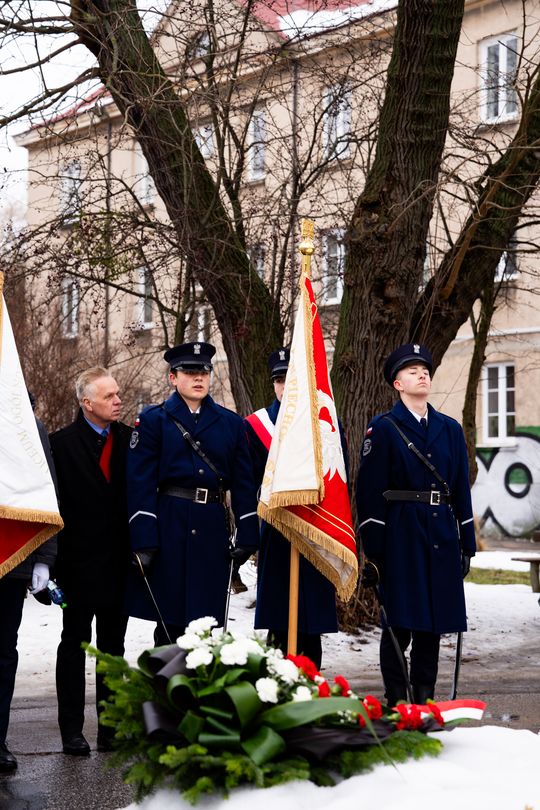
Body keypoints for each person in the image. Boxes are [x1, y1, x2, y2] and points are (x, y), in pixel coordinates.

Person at [356, 343, 476, 706]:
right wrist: (374, 552)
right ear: (397, 383)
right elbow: (370, 493)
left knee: (434, 622)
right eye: (411, 370)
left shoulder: (450, 429)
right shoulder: (384, 428)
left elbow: (460, 490)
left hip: (440, 532)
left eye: (424, 368)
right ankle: (397, 697)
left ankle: (424, 698)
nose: (421, 373)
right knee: (400, 622)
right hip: (401, 534)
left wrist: (466, 542)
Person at [126, 341, 259, 645]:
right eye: (189, 372)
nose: (199, 378)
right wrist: (144, 541)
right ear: (173, 377)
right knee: (169, 625)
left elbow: (243, 483)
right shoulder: (153, 420)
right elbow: (140, 482)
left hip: (212, 528)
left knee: (206, 624)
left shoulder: (231, 423)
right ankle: (167, 691)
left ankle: (202, 691)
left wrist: (248, 534)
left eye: (204, 372)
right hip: (169, 526)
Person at [50, 368, 132, 755]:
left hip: (119, 565)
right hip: (76, 566)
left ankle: (111, 728)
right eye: (110, 396)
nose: (118, 401)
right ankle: (72, 731)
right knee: (73, 645)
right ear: (87, 403)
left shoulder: (131, 442)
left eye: (118, 394)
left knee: (113, 647)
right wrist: (48, 568)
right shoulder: (60, 445)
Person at [245, 348, 340, 669]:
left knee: (310, 624)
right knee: (278, 620)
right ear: (273, 385)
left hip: (315, 530)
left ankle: (310, 687)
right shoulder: (257, 426)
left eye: (293, 379)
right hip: (278, 532)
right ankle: (277, 691)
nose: (286, 386)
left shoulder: (323, 425)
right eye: (280, 380)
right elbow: (248, 482)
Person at [0, 395, 57, 773]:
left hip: (12, 556)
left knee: (3, 653)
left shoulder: (26, 425)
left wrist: (44, 557)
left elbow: (45, 492)